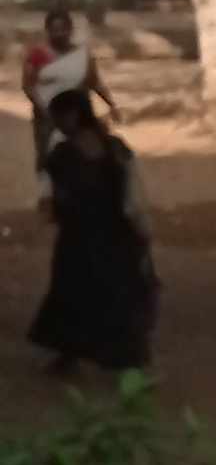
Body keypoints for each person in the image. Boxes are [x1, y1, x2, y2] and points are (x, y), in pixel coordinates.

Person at [28, 88, 155, 375]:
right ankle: (74, 354)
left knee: (104, 292)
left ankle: (113, 356)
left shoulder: (104, 150)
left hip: (105, 233)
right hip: (85, 234)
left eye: (61, 116)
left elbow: (131, 191)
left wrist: (140, 226)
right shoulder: (73, 152)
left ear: (75, 114)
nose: (59, 123)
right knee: (75, 291)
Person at [21, 1, 118, 181]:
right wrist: (45, 110)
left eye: (63, 29)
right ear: (47, 30)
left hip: (80, 115)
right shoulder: (37, 55)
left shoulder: (82, 55)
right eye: (54, 29)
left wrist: (111, 104)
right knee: (47, 156)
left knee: (84, 153)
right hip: (47, 116)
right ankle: (47, 192)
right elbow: (28, 86)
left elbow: (94, 82)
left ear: (70, 29)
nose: (59, 34)